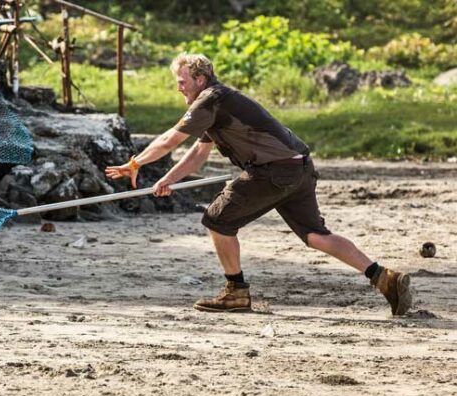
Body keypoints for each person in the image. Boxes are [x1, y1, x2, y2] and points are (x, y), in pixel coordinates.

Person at [105, 53, 412, 315]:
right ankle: (384, 278)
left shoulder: (209, 100)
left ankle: (236, 291)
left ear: (200, 78)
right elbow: (197, 154)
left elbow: (170, 140)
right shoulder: (219, 103)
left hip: (273, 171)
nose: (178, 86)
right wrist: (167, 179)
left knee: (217, 220)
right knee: (316, 236)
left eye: (182, 80)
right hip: (298, 168)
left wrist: (135, 163)